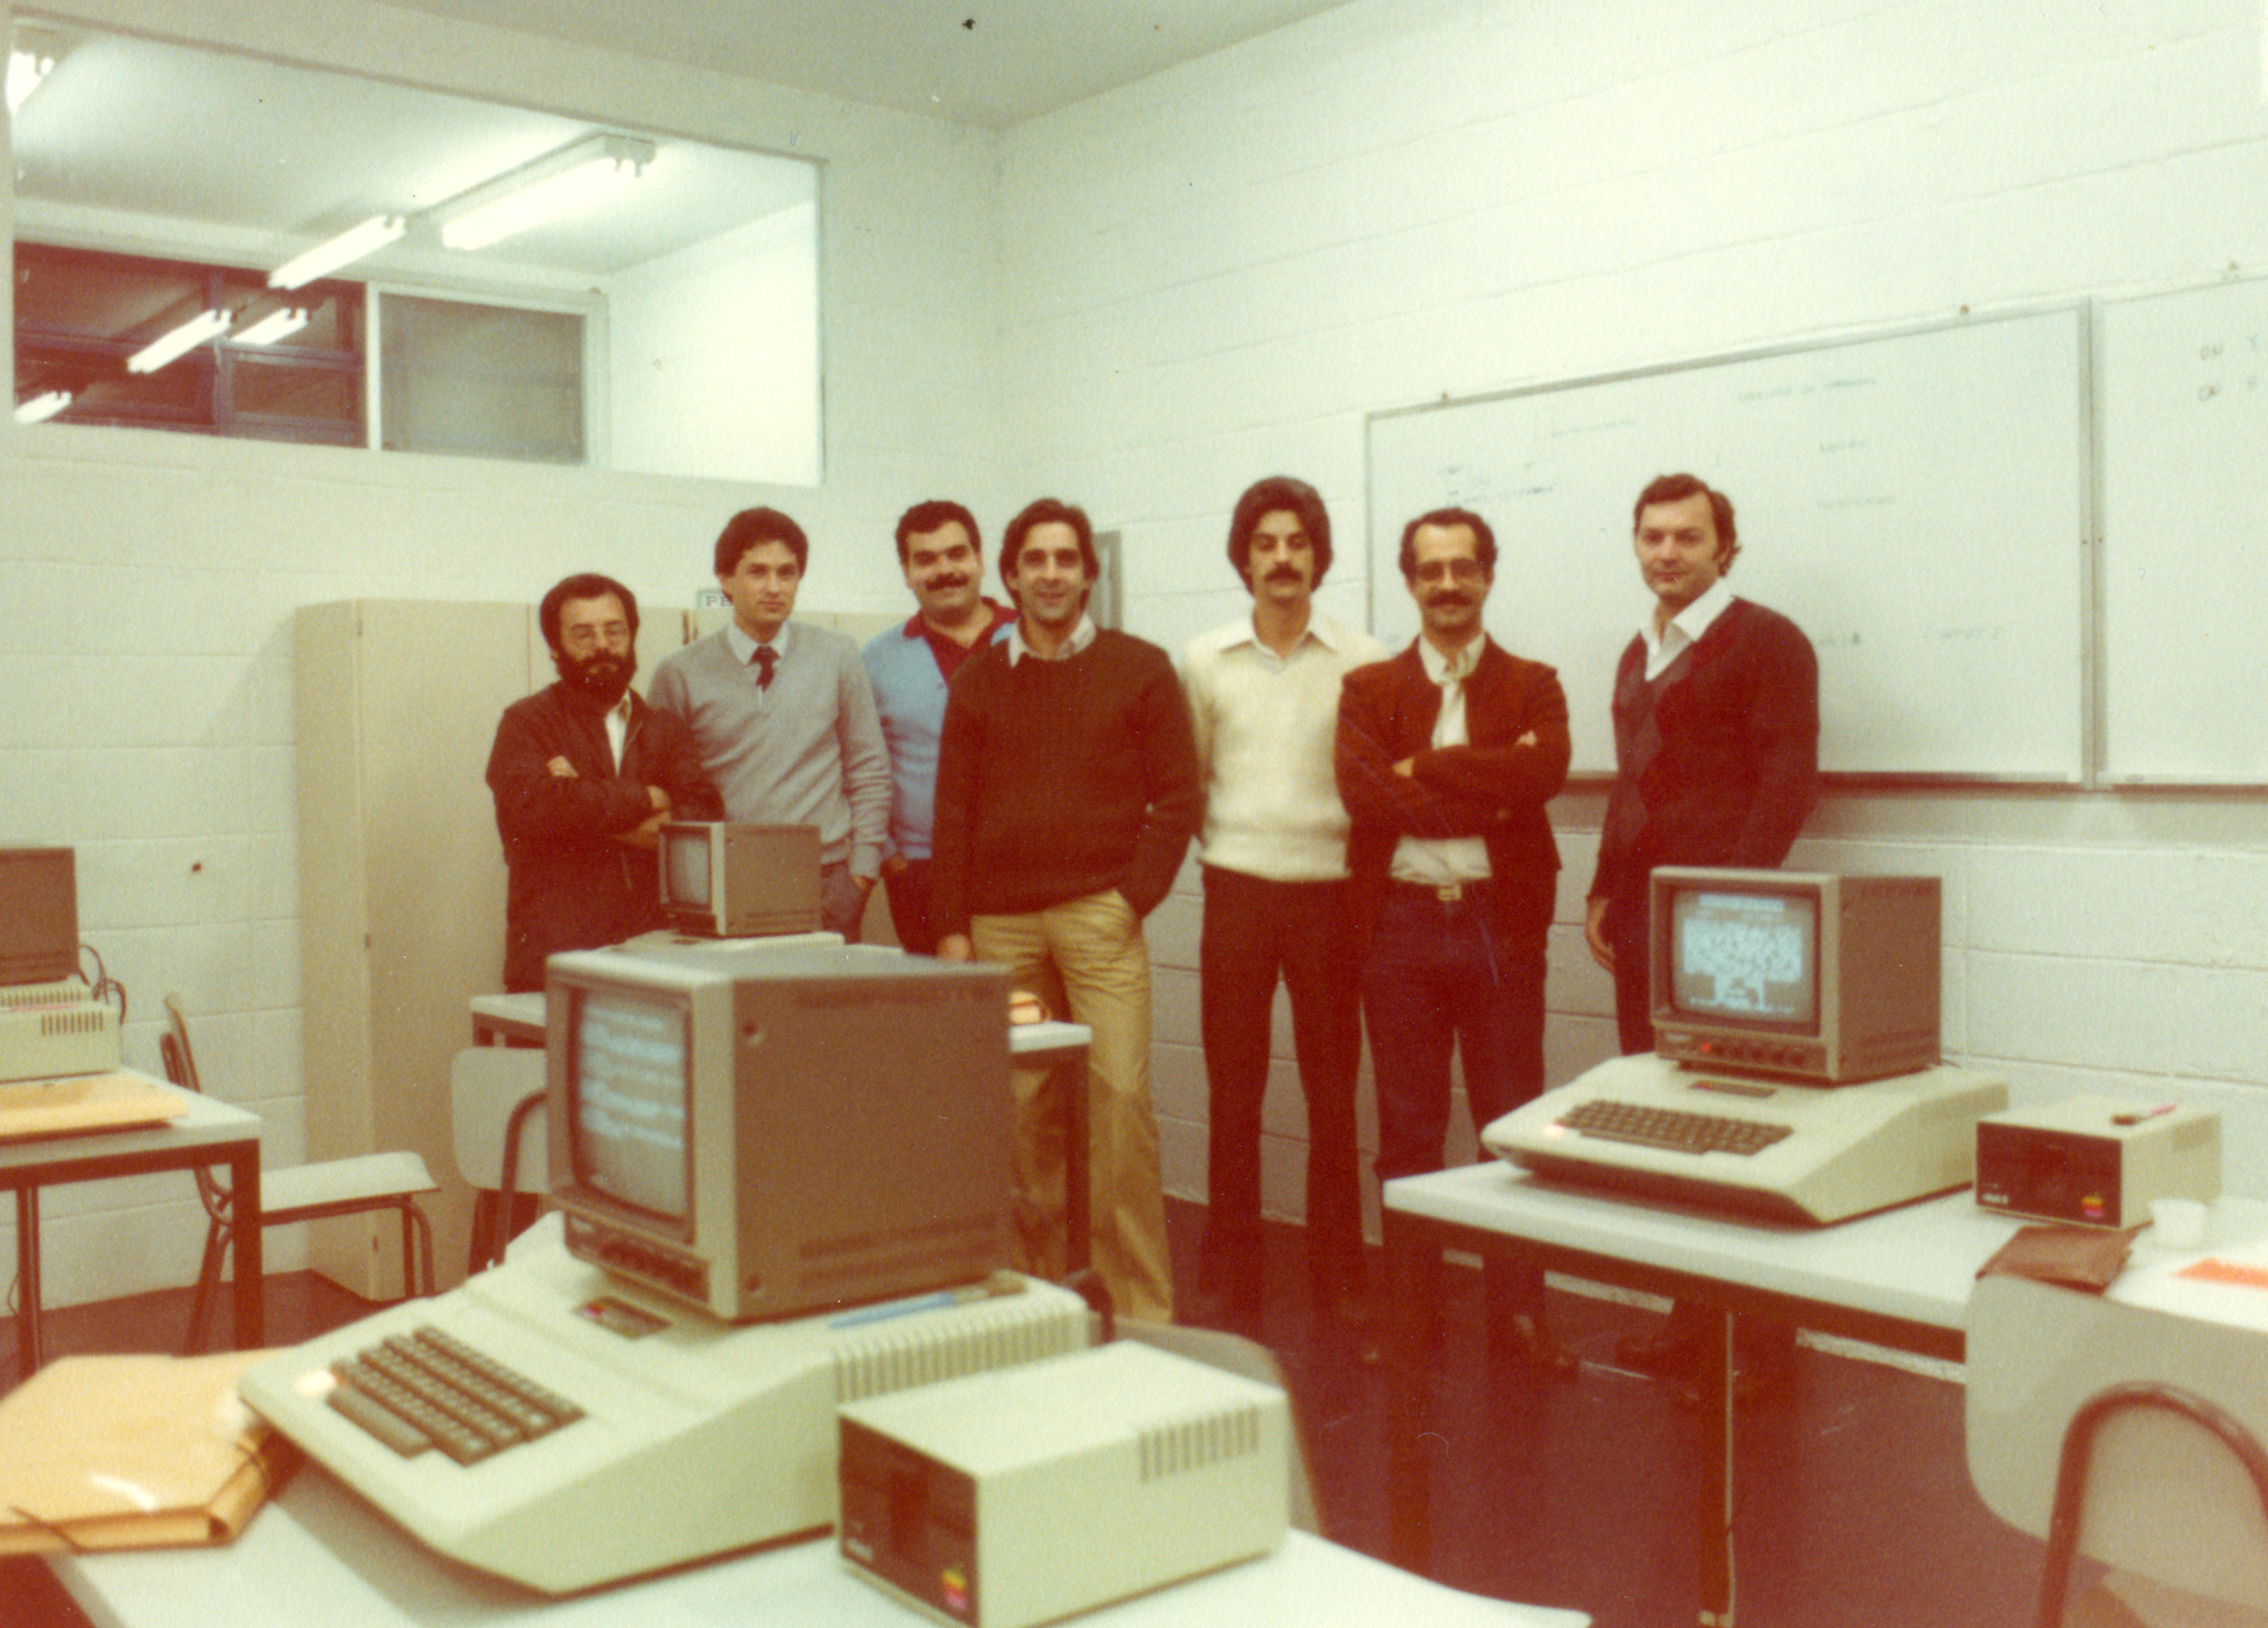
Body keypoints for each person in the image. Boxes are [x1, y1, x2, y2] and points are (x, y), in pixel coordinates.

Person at [930, 497, 1202, 1324]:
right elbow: (952, 813)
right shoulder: (978, 679)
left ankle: (1140, 1315)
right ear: (1010, 576)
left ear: (1088, 571)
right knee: (1019, 1119)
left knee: (1117, 1107)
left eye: (1065, 559)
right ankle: (1040, 1306)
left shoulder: (1142, 668)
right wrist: (951, 931)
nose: (1050, 574)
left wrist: (1131, 899)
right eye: (1034, 560)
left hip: (1098, 921)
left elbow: (1179, 797)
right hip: (999, 929)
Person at [1584, 472, 1819, 1393]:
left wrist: (1733, 906)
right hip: (1643, 918)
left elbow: (1786, 780)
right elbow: (1628, 781)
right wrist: (1605, 885)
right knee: (1666, 1124)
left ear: (1725, 546)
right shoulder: (1635, 649)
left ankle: (1759, 1345)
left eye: (1687, 538)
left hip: (1723, 925)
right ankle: (1690, 1322)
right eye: (1652, 537)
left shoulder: (1768, 642)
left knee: (1735, 1127)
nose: (1667, 554)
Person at [1336, 508, 1572, 1369]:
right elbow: (1366, 799)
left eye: (1461, 567)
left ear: (1487, 575)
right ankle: (1411, 1315)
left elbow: (1540, 772)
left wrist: (1427, 767)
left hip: (1494, 924)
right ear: (1409, 580)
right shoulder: (1366, 690)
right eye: (1429, 569)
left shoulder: (1534, 683)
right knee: (1406, 1128)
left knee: (1510, 1130)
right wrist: (1489, 781)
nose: (1446, 584)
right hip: (1398, 926)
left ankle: (1517, 1316)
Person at [1181, 476, 1384, 1333]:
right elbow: (1187, 777)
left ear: (1317, 555)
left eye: (1296, 542)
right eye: (1263, 544)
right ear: (1243, 558)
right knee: (1234, 1090)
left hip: (1327, 899)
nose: (1280, 558)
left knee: (1332, 1094)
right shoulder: (1202, 660)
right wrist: (1233, 848)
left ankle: (1338, 1266)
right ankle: (1233, 1264)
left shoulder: (1363, 658)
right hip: (1234, 892)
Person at [648, 506, 891, 940]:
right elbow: (664, 786)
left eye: (787, 572)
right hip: (726, 882)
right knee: (736, 1007)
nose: (774, 587)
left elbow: (869, 769)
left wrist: (861, 876)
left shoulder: (837, 655)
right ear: (724, 579)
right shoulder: (680, 672)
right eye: (757, 572)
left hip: (826, 879)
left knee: (819, 1006)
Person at [486, 572, 723, 993]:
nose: (602, 645)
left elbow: (702, 820)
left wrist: (580, 800)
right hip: (553, 956)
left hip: (653, 954)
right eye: (582, 634)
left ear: (632, 635)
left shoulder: (664, 729)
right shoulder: (526, 724)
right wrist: (647, 797)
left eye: (615, 630)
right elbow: (535, 809)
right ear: (555, 646)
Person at [861, 500, 1016, 954]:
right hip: (919, 869)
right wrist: (891, 856)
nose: (944, 569)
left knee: (1026, 1013)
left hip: (1021, 866)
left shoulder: (1031, 638)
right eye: (925, 559)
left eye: (956, 554)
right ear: (906, 573)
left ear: (980, 560)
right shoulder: (875, 660)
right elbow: (861, 762)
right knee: (941, 1012)